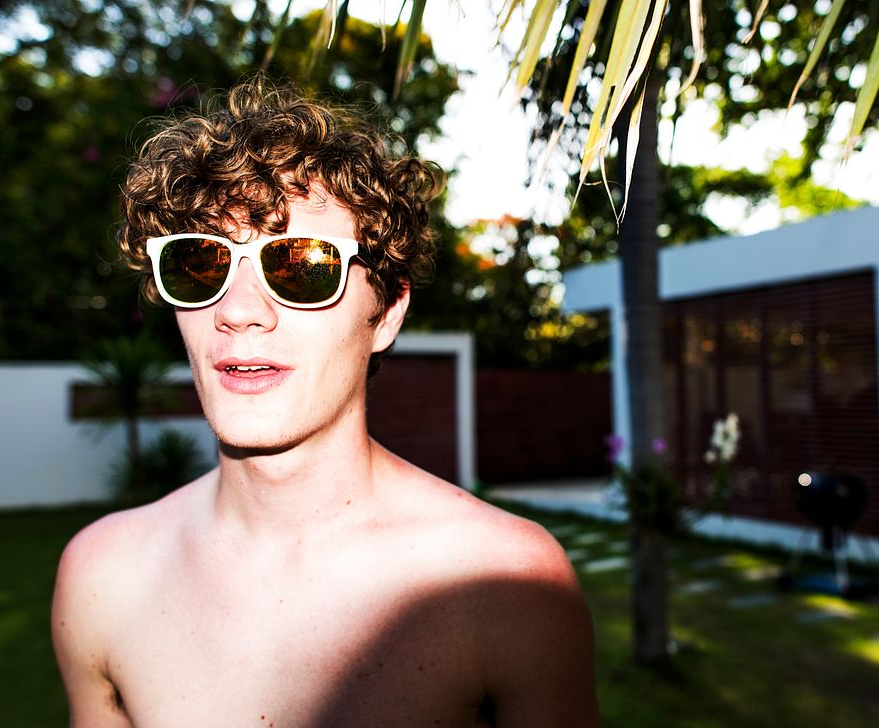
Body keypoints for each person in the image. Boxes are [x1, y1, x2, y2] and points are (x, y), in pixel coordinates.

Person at [52, 77, 600, 727]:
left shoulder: (507, 584)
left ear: (388, 311)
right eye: (202, 263)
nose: (240, 311)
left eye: (300, 265)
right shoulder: (101, 577)